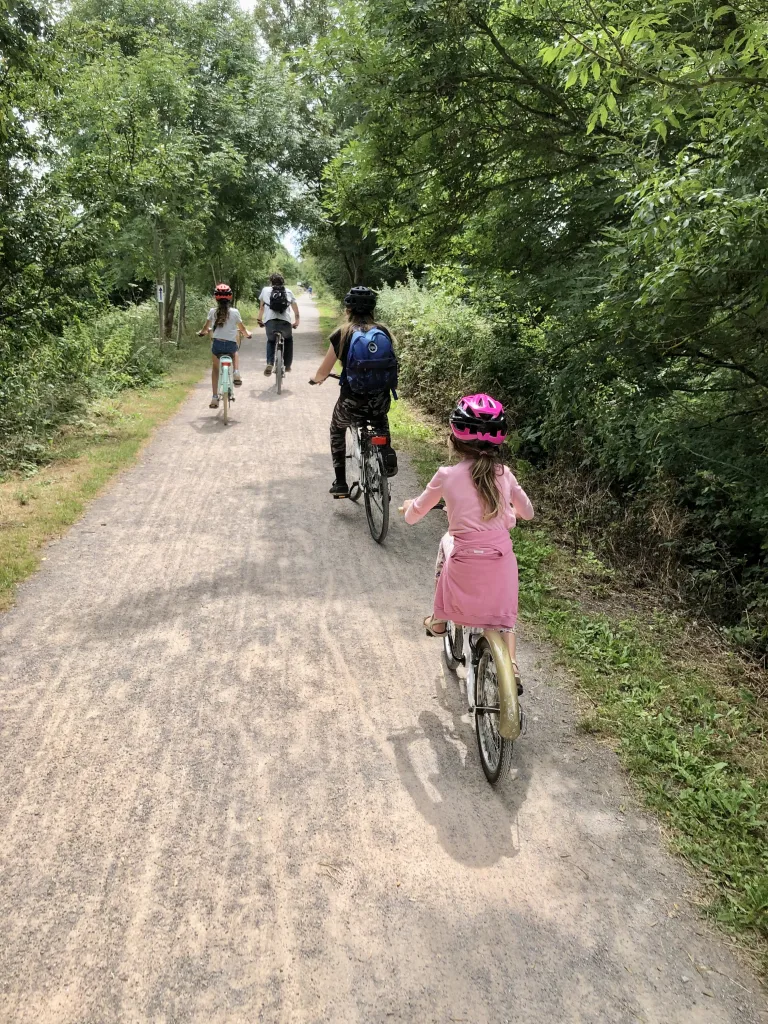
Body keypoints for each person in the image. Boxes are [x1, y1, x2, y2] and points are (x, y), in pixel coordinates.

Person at [401, 394, 534, 680]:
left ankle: (439, 618)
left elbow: (414, 515)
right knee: (503, 620)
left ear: (455, 438)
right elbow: (529, 512)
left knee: (446, 542)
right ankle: (510, 665)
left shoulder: (446, 475)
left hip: (464, 562)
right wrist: (512, 511)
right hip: (501, 563)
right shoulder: (505, 474)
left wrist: (407, 508)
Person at [310, 285, 398, 497]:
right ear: (372, 310)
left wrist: (317, 379)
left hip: (351, 402)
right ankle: (385, 451)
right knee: (380, 420)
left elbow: (324, 370)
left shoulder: (342, 333)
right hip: (380, 400)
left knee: (337, 429)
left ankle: (340, 482)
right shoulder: (384, 332)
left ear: (347, 310)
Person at [197, 283, 252, 408]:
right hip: (230, 346)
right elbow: (242, 329)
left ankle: (214, 397)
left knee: (215, 369)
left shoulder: (212, 312)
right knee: (235, 350)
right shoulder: (235, 312)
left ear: (216, 297)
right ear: (230, 297)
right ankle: (236, 372)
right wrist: (247, 334)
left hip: (217, 346)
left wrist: (202, 332)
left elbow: (206, 328)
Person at [258, 273, 300, 375]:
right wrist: (296, 321)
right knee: (288, 340)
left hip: (270, 322)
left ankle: (270, 363)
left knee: (271, 341)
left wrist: (259, 319)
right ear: (283, 282)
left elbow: (262, 308)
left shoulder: (265, 290)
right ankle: (288, 365)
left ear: (271, 282)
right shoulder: (288, 291)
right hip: (285, 322)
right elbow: (295, 309)